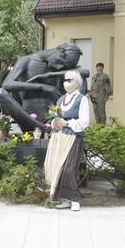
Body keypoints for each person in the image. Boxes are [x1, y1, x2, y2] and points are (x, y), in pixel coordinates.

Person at [0, 44, 89, 133]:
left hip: (53, 118)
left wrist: (48, 75)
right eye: (61, 63)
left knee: (82, 81)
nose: (60, 67)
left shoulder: (56, 67)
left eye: (64, 66)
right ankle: (43, 128)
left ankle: (47, 128)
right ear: (58, 51)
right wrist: (42, 86)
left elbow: (84, 72)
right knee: (1, 93)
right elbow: (7, 85)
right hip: (29, 118)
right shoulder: (26, 60)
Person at [44, 70, 90, 211]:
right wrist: (55, 122)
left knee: (69, 167)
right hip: (59, 137)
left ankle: (74, 199)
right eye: (65, 80)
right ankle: (63, 198)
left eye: (70, 80)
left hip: (73, 136)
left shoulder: (82, 99)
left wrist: (67, 123)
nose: (66, 82)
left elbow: (85, 121)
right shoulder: (60, 100)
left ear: (77, 82)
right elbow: (53, 118)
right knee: (56, 166)